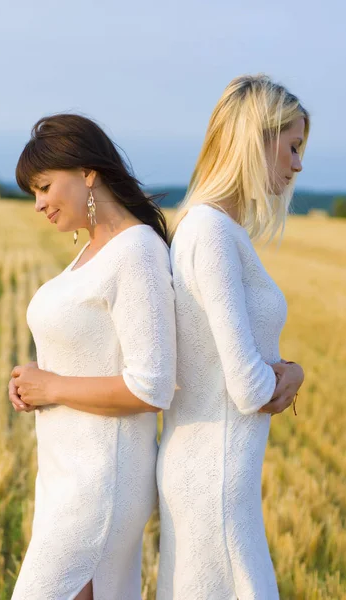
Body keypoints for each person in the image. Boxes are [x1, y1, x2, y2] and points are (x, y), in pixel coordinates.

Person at [8, 114, 176, 600]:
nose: (38, 204)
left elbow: (152, 386)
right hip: (64, 473)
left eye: (43, 187)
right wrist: (31, 385)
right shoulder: (90, 253)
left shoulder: (136, 251)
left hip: (100, 480)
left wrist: (53, 387)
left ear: (87, 173)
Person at [157, 74, 309, 600]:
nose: (297, 164)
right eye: (291, 146)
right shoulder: (211, 233)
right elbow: (247, 387)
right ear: (255, 140)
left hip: (216, 470)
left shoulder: (213, 229)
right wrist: (293, 373)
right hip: (214, 477)